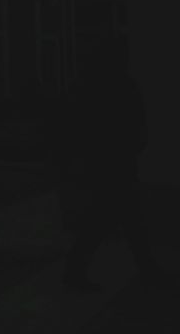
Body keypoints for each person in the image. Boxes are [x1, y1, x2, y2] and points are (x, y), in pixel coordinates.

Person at [60, 36, 171, 291]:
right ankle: (78, 270)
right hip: (117, 165)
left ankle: (142, 268)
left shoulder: (92, 86)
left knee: (116, 220)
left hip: (107, 165)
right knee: (111, 220)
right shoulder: (120, 85)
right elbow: (133, 125)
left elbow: (81, 128)